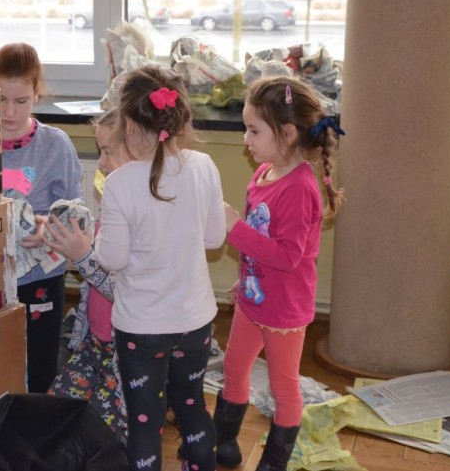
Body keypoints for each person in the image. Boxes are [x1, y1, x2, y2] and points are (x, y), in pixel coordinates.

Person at [91, 64, 226, 471]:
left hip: (142, 328)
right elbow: (214, 239)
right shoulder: (204, 165)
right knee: (192, 406)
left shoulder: (119, 184)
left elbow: (112, 259)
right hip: (195, 321)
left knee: (145, 422)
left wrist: (95, 240)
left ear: (129, 125)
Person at [219, 76, 344, 471]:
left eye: (254, 130)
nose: (246, 139)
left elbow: (288, 257)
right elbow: (261, 240)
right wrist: (247, 275)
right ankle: (223, 444)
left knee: (283, 387)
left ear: (288, 133)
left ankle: (273, 462)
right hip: (253, 299)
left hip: (285, 311)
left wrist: (234, 228)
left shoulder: (300, 188)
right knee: (233, 369)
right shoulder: (263, 173)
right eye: (246, 129)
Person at [0, 43, 83, 393]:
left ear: (37, 94)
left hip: (42, 275)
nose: (9, 112)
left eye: (21, 101)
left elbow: (76, 213)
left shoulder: (56, 145)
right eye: (0, 100)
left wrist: (45, 227)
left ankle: (38, 419)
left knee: (41, 365)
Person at [45, 108, 129, 443]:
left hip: (124, 354)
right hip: (94, 342)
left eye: (109, 151)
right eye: (100, 152)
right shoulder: (113, 201)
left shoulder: (140, 216)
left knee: (105, 438)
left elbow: (123, 291)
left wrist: (82, 255)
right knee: (53, 416)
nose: (102, 163)